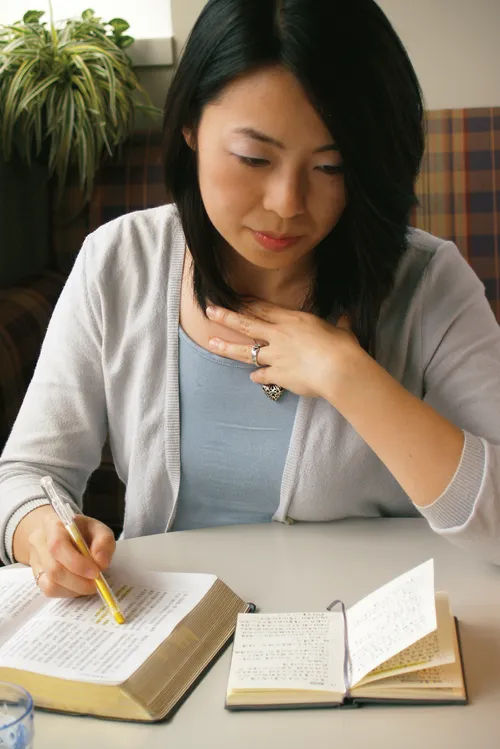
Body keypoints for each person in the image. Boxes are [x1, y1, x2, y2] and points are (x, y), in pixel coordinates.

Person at [1, 0, 500, 598]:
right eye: (254, 158)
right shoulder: (120, 260)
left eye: (331, 166)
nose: (288, 202)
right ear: (190, 127)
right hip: (164, 638)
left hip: (364, 652)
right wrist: (44, 536)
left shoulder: (429, 284)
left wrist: (350, 377)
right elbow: (28, 474)